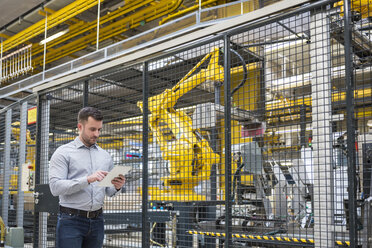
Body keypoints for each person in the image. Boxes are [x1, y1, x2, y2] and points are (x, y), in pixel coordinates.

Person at [49, 107, 125, 248]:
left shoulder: (105, 156)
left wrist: (117, 186)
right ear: (80, 127)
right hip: (70, 221)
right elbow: (55, 187)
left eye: (99, 130)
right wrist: (88, 179)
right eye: (92, 129)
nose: (96, 134)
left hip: (97, 221)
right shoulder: (63, 153)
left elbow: (108, 191)